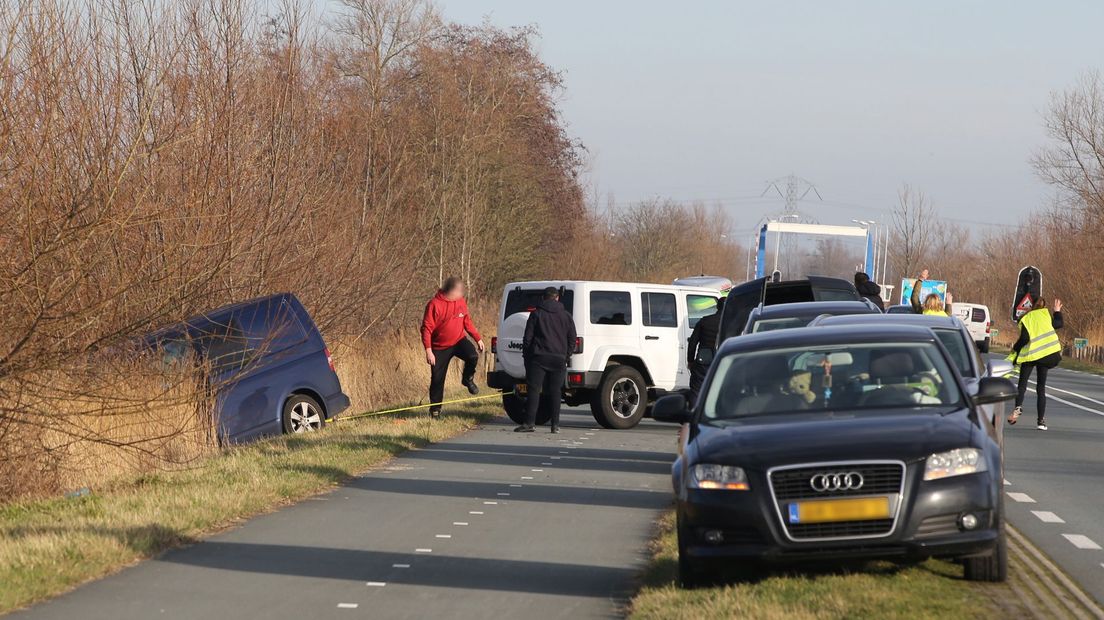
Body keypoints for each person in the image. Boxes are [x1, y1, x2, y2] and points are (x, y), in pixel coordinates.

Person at [421, 277, 485, 418]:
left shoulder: (460, 302)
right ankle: (435, 411)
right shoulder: (434, 305)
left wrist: (478, 338)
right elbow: (426, 329)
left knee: (472, 356)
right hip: (439, 346)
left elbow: (467, 321)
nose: (462, 294)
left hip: (458, 341)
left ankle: (467, 379)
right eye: (460, 291)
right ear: (453, 291)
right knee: (437, 379)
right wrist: (428, 351)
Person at [516, 287, 577, 434]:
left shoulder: (536, 314)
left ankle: (530, 423)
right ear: (557, 298)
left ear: (544, 298)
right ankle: (555, 425)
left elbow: (527, 338)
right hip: (559, 358)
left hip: (539, 357)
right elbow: (572, 338)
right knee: (556, 391)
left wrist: (527, 357)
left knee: (534, 390)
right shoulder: (566, 316)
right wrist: (566, 355)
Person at [1008, 297, 1063, 430]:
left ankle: (1017, 409)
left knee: (1022, 385)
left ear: (1030, 306)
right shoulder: (1046, 315)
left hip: (1031, 356)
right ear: (1044, 306)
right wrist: (1057, 311)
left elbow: (1024, 339)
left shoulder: (1027, 318)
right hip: (1046, 355)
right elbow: (1058, 324)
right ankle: (1041, 421)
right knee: (1041, 388)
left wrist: (1015, 349)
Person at [686, 297, 725, 403]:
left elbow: (692, 343)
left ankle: (694, 414)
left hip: (704, 361)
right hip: (724, 362)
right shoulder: (732, 323)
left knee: (696, 390)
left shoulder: (704, 321)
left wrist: (690, 361)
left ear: (717, 307)